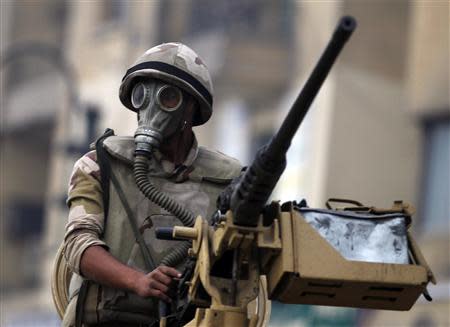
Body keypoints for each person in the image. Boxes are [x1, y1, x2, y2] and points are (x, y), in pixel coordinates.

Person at [62, 43, 242, 327]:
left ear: (191, 107)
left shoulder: (229, 181)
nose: (150, 107)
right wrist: (139, 282)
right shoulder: (100, 165)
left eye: (167, 97)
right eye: (141, 95)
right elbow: (78, 245)